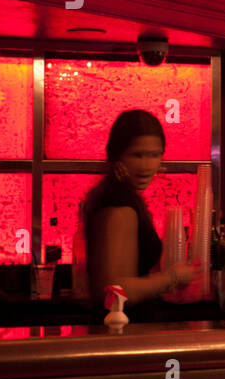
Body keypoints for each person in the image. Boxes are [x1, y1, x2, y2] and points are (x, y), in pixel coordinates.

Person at [84, 109, 201, 320]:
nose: (147, 166)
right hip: (124, 329)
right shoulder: (120, 206)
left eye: (155, 155)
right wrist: (173, 277)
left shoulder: (113, 195)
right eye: (137, 155)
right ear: (116, 154)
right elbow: (113, 290)